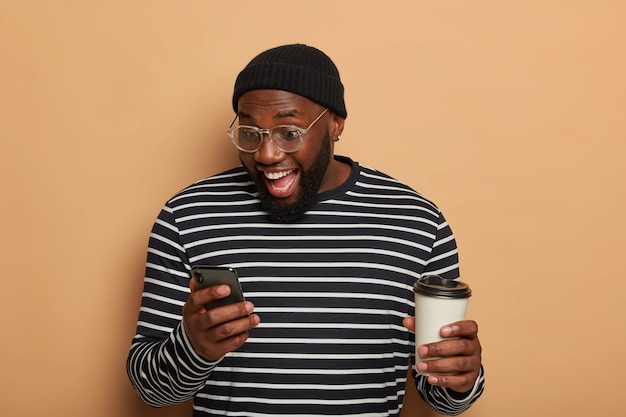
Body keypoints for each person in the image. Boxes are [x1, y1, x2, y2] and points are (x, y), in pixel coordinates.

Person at [127, 44, 485, 416]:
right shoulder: (188, 216)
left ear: (335, 124)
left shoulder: (417, 223)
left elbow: (442, 398)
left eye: (289, 132)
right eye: (250, 132)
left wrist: (462, 376)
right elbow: (150, 391)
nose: (266, 155)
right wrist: (194, 347)